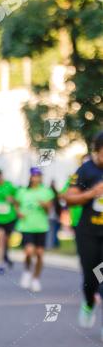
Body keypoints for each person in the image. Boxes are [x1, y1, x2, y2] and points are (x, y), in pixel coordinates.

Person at [64, 131, 103, 334]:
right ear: (97, 152)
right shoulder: (85, 171)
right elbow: (68, 197)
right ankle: (88, 303)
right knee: (91, 277)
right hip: (87, 232)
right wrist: (92, 193)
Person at [15, 167, 54, 292]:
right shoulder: (22, 191)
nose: (36, 178)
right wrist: (18, 212)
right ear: (30, 177)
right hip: (26, 226)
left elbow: (49, 211)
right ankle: (27, 271)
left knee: (40, 254)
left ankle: (36, 278)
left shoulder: (46, 192)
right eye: (34, 176)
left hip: (41, 226)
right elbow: (16, 203)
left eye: (38, 176)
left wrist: (45, 206)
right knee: (29, 251)